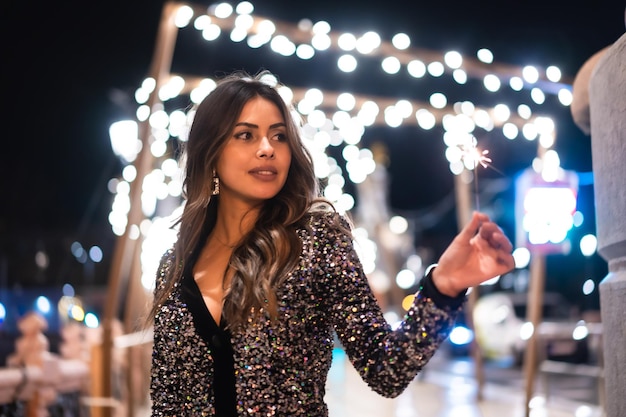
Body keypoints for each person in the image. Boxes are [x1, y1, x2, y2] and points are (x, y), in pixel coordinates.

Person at [149, 71, 515, 417]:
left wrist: (444, 287)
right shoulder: (175, 264)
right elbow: (166, 400)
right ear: (210, 152)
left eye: (278, 136)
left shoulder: (316, 241)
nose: (267, 149)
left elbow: (386, 371)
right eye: (245, 135)